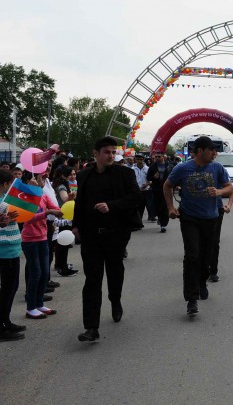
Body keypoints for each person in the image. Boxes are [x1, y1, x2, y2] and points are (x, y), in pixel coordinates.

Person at [73, 136, 142, 342]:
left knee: (114, 272)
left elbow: (136, 198)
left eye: (113, 152)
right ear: (96, 154)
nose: (111, 155)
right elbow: (80, 203)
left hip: (116, 234)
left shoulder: (125, 174)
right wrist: (76, 224)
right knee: (92, 280)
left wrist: (111, 205)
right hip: (91, 236)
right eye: (107, 152)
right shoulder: (84, 175)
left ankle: (115, 300)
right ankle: (91, 327)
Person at [164, 136, 232, 315]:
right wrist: (171, 207)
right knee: (192, 255)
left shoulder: (217, 167)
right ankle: (191, 299)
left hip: (210, 218)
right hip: (189, 218)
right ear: (200, 151)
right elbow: (167, 185)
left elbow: (229, 188)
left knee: (206, 256)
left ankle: (202, 282)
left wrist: (219, 191)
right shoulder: (183, 168)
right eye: (211, 150)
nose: (214, 153)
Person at [22, 173, 62, 320]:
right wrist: (48, 212)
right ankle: (30, 307)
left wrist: (57, 209)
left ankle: (39, 304)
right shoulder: (24, 197)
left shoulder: (42, 196)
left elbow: (54, 206)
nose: (39, 181)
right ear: (27, 182)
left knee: (45, 272)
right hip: (30, 239)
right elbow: (28, 218)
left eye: (41, 179)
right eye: (35, 178)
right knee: (36, 273)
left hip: (43, 237)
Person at [0, 170, 25, 341]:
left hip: (12, 247)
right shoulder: (3, 201)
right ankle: (1, 327)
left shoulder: (6, 200)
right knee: (7, 289)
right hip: (4, 249)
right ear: (5, 184)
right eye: (11, 182)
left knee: (12, 287)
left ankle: (5, 321)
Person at [209, 170, 233, 283]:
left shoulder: (218, 170)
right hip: (196, 212)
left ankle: (213, 271)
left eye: (214, 151)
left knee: (214, 242)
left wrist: (229, 205)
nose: (213, 154)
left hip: (217, 210)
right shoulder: (189, 168)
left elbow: (231, 190)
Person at [147, 152, 173, 233]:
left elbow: (174, 177)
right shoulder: (152, 167)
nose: (157, 158)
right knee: (158, 207)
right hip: (156, 190)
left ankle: (163, 224)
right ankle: (160, 219)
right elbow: (148, 177)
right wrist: (153, 177)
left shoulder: (169, 166)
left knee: (165, 207)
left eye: (159, 156)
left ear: (163, 157)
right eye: (156, 157)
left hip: (167, 190)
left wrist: (176, 185)